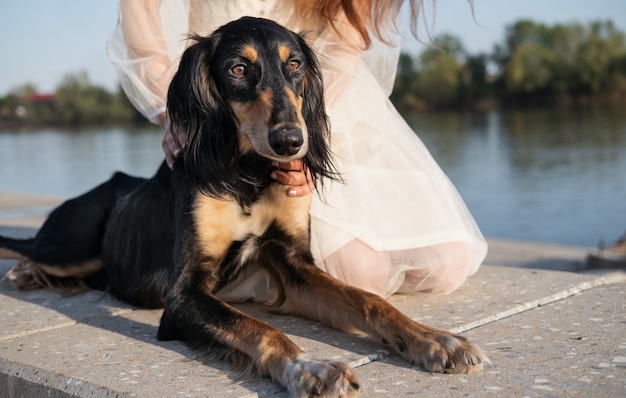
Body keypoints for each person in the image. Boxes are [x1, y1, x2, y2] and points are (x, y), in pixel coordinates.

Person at [107, 0, 488, 298]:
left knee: (446, 264)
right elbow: (139, 7)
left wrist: (306, 140)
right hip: (233, 116)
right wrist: (172, 111)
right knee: (363, 272)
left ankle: (267, 263)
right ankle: (252, 264)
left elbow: (342, 51)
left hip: (330, 108)